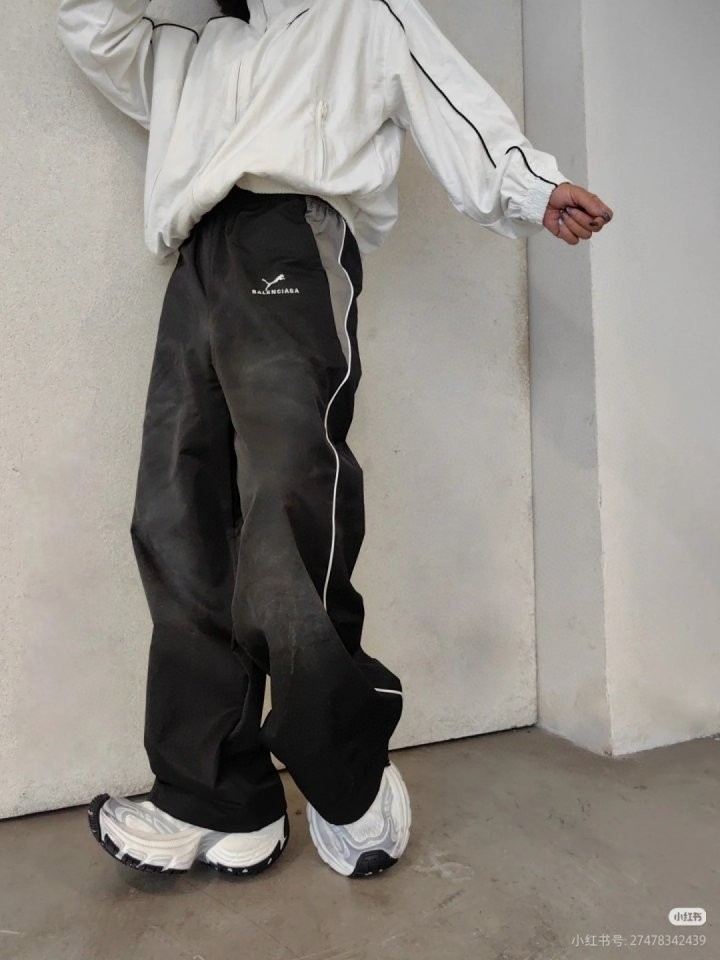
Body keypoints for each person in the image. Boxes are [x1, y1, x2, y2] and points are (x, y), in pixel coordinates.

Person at [56, 0, 613, 880]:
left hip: (293, 239)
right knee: (175, 520)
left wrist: (532, 186)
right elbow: (92, 27)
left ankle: (347, 769)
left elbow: (448, 95)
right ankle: (218, 797)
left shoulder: (359, 12)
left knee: (286, 509)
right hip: (196, 261)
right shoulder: (192, 42)